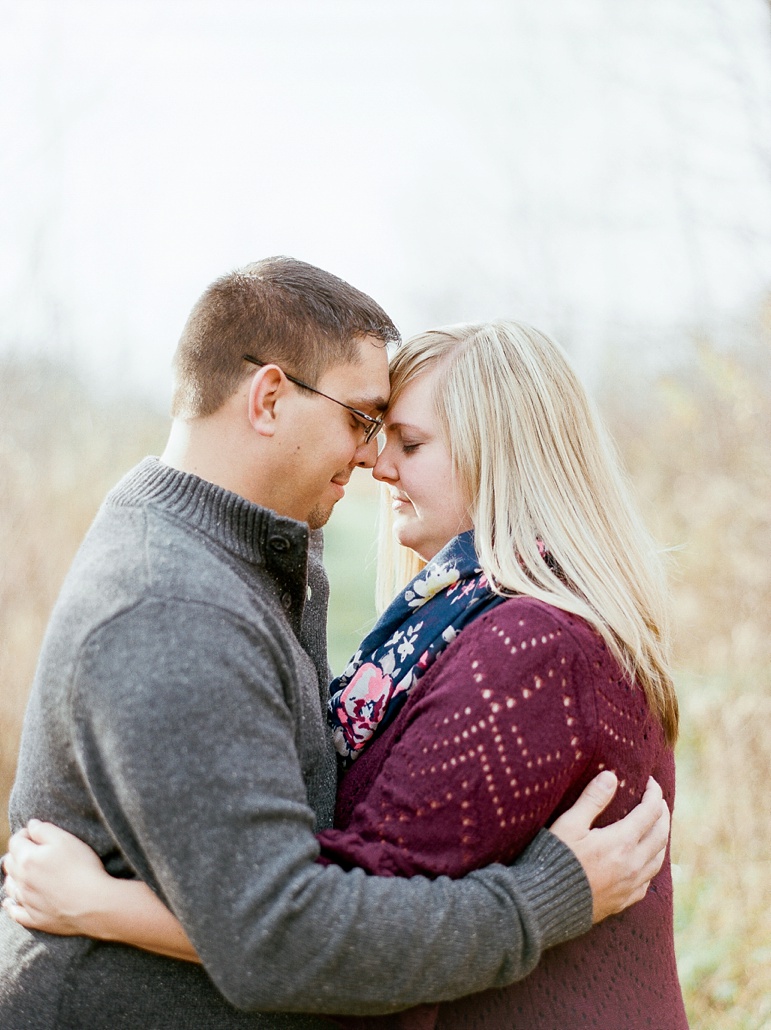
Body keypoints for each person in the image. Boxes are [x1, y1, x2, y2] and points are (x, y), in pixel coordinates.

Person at [0, 263, 671, 1029]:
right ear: (270, 398)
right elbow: (283, 935)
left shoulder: (507, 636)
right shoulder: (170, 607)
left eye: (400, 437)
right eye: (362, 419)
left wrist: (106, 905)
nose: (371, 457)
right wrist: (541, 900)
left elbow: (296, 907)